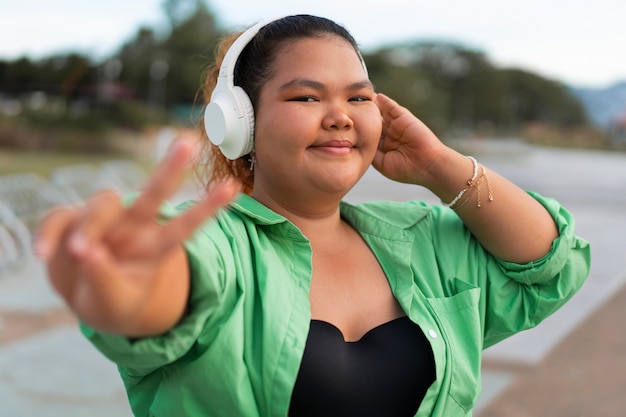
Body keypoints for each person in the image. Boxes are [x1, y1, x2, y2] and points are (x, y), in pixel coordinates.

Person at [34, 14, 591, 417]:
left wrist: (438, 164)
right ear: (240, 124)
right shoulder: (216, 239)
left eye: (359, 98)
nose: (340, 117)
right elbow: (163, 292)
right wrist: (123, 286)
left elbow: (551, 264)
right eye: (306, 98)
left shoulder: (422, 239)